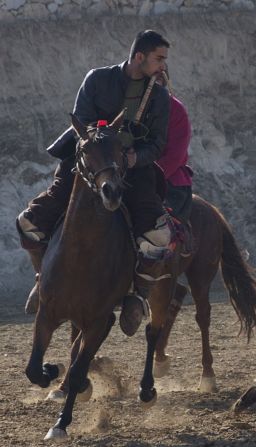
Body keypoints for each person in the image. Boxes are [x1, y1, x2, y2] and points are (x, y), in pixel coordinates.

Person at [17, 30, 173, 334]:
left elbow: (157, 144)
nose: (163, 66)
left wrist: (132, 159)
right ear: (139, 56)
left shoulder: (160, 96)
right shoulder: (97, 79)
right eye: (159, 58)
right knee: (29, 223)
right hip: (89, 163)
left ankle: (136, 297)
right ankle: (43, 281)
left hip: (133, 169)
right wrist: (107, 148)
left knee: (158, 236)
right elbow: (81, 122)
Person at [155, 67, 193, 224]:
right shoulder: (130, 108)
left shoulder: (176, 110)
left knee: (157, 231)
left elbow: (174, 156)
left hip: (168, 182)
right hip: (134, 178)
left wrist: (148, 177)